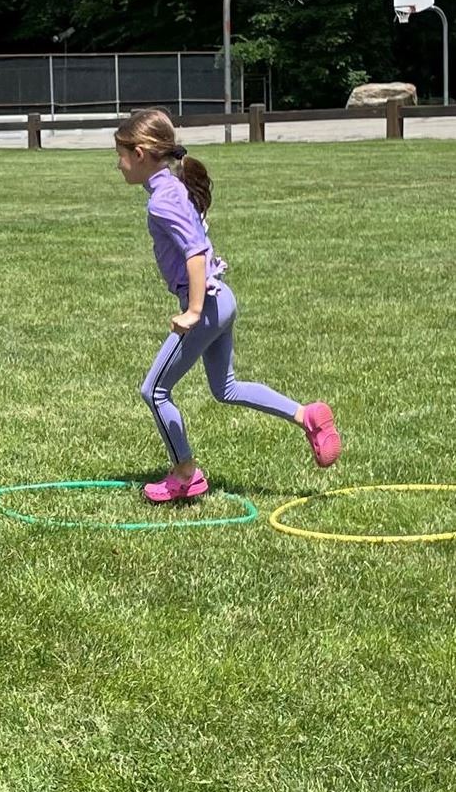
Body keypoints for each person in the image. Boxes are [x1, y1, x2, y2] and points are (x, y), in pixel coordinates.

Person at [115, 108, 342, 502]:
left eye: (120, 156)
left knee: (154, 390)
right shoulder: (172, 188)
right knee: (226, 387)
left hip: (206, 305)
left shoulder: (162, 200)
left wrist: (193, 311)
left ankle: (185, 474)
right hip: (222, 299)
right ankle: (306, 415)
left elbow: (194, 253)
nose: (117, 165)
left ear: (139, 154)